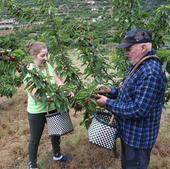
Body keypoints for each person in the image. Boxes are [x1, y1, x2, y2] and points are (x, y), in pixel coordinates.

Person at [95, 29, 167, 169]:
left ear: (144, 47)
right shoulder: (138, 65)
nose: (125, 52)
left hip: (139, 139)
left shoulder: (150, 72)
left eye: (129, 48)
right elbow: (128, 92)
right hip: (129, 133)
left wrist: (107, 103)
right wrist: (111, 91)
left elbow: (138, 109)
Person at [25, 42, 72, 169]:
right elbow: (36, 96)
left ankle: (57, 155)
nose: (46, 58)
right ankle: (32, 164)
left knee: (55, 132)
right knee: (35, 138)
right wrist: (55, 97)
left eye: (47, 54)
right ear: (34, 56)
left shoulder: (48, 66)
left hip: (52, 107)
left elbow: (57, 81)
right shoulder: (30, 72)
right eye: (42, 55)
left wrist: (66, 91)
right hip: (37, 111)